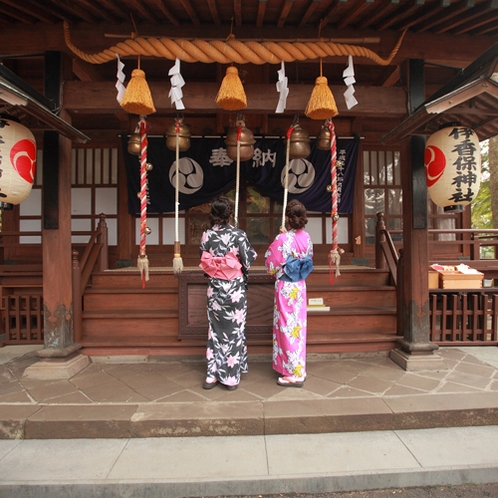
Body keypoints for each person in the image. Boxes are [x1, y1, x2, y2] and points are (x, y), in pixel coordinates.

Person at [199, 195, 257, 391]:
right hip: (234, 289)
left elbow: (204, 261)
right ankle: (230, 376)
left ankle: (212, 374)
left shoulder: (207, 235)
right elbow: (248, 260)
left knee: (215, 330)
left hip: (215, 288)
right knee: (234, 330)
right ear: (230, 214)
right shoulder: (239, 235)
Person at [265, 199, 314, 388]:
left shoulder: (282, 239)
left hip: (286, 288)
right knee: (297, 327)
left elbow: (270, 264)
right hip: (300, 286)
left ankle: (293, 373)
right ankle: (297, 367)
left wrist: (283, 238)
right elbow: (307, 257)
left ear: (287, 218)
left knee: (287, 327)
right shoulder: (307, 238)